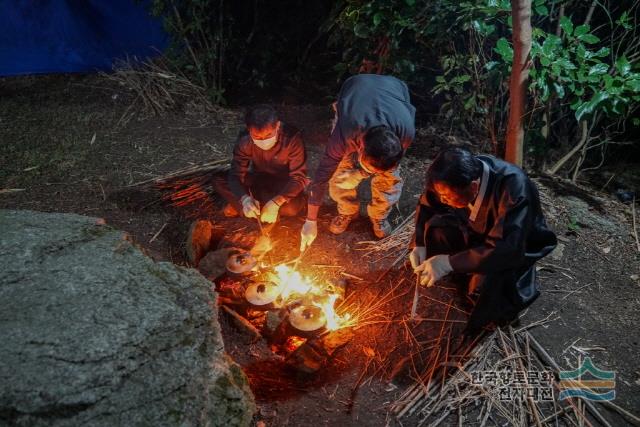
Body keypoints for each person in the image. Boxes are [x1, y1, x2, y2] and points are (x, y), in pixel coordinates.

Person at [409, 147, 557, 336]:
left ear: (473, 187)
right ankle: (456, 269)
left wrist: (447, 262)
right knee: (434, 230)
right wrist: (419, 243)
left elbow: (505, 248)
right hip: (474, 230)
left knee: (483, 289)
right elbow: (427, 203)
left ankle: (487, 313)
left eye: (447, 196)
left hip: (508, 247)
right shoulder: (455, 175)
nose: (443, 200)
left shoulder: (514, 189)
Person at [299, 74, 416, 251]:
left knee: (389, 176)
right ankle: (347, 210)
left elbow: (389, 162)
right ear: (360, 148)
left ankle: (379, 215)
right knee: (340, 171)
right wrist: (311, 220)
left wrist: (362, 173)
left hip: (394, 92)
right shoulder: (344, 135)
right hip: (356, 90)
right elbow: (322, 176)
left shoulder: (405, 133)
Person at [213, 104, 308, 227]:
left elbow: (298, 178)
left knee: (291, 208)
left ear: (277, 126)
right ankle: (251, 207)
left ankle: (253, 210)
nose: (263, 141)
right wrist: (245, 199)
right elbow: (236, 175)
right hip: (259, 180)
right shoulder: (245, 141)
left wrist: (276, 202)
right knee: (218, 180)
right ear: (249, 130)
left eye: (268, 136)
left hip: (283, 184)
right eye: (257, 137)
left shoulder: (292, 139)